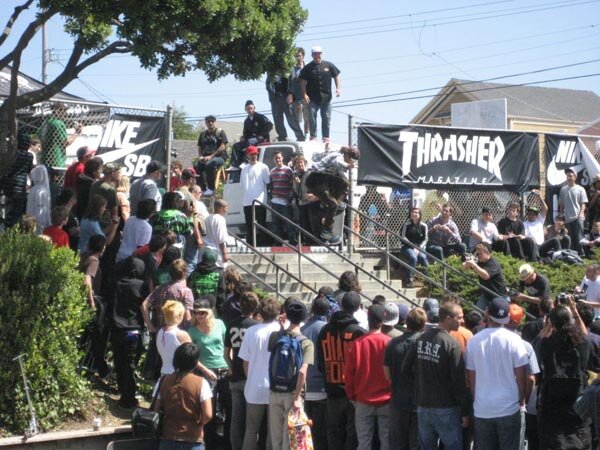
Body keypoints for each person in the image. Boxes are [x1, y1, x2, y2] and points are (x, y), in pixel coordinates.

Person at [401, 302, 469, 450]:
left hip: (423, 406)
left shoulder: (420, 339)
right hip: (446, 407)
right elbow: (459, 381)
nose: (462, 321)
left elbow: (405, 369)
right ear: (448, 318)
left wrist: (420, 383)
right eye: (459, 318)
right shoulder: (452, 344)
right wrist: (465, 412)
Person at [465, 297, 529, 450]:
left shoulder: (474, 341)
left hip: (483, 408)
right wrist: (521, 400)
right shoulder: (515, 340)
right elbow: (522, 376)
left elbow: (471, 377)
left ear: (487, 313)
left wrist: (477, 398)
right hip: (509, 406)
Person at [537, 301, 592, 449]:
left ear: (552, 323)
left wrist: (549, 321)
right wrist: (574, 311)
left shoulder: (546, 344)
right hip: (578, 405)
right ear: (571, 320)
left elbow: (539, 340)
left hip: (551, 405)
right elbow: (586, 336)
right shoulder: (582, 344)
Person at [316, 291, 366, 450]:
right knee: (352, 432)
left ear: (341, 305)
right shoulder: (359, 332)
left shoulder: (325, 330)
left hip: (332, 389)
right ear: (358, 308)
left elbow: (319, 362)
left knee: (334, 431)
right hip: (353, 392)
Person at [268, 301, 314, 450]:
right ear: (304, 318)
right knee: (290, 440)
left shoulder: (275, 336)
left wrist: (282, 328)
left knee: (276, 440)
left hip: (274, 391)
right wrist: (296, 399)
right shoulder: (306, 343)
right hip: (292, 394)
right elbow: (302, 371)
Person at [345, 304, 391, 450]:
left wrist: (352, 395)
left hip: (363, 399)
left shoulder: (357, 344)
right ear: (382, 321)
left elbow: (349, 375)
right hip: (386, 399)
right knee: (387, 441)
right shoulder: (389, 342)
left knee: (364, 442)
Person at [238, 297, 282, 450]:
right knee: (273, 430)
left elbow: (245, 361)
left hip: (254, 385)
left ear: (260, 313)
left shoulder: (251, 332)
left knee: (251, 429)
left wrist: (250, 378)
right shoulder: (281, 331)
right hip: (275, 386)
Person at [189, 297, 231, 450]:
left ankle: (227, 442)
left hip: (224, 369)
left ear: (210, 312)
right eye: (196, 313)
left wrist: (231, 365)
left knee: (229, 407)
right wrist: (205, 370)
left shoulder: (220, 324)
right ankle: (210, 443)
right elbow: (192, 355)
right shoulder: (192, 330)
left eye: (202, 313)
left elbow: (227, 346)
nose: (199, 316)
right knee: (209, 409)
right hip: (205, 371)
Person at [154, 342, 213, 450]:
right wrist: (198, 423)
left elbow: (156, 409)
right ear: (195, 363)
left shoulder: (163, 380)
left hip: (168, 436)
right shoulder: (201, 383)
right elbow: (208, 414)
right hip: (192, 439)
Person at [384, 307, 426, 450]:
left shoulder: (392, 343)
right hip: (419, 401)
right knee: (416, 443)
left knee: (397, 443)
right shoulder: (424, 344)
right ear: (423, 324)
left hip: (398, 401)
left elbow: (387, 375)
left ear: (406, 322)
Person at [111, 256, 148, 409]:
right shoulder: (141, 285)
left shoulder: (118, 284)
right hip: (133, 331)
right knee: (131, 364)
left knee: (119, 362)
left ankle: (122, 391)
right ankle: (129, 398)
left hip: (117, 329)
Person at [224, 292, 259, 450]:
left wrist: (232, 367)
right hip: (251, 378)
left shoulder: (231, 324)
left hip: (235, 377)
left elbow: (226, 353)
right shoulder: (255, 327)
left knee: (236, 419)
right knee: (251, 421)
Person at [305, 145, 360, 243]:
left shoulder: (335, 153)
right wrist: (347, 166)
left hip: (323, 179)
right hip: (315, 181)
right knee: (333, 204)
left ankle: (326, 204)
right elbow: (338, 162)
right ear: (347, 156)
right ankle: (326, 229)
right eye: (351, 160)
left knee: (345, 182)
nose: (351, 163)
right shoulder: (338, 157)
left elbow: (315, 156)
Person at [301, 297, 330, 450]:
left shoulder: (303, 328)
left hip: (304, 386)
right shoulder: (326, 329)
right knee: (321, 431)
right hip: (321, 387)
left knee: (306, 430)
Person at [299, 46, 341, 144]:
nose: (317, 55)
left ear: (321, 54)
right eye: (315, 54)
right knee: (312, 117)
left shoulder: (328, 65)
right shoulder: (308, 67)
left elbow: (337, 76)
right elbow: (302, 81)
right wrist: (304, 94)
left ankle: (326, 137)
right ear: (312, 55)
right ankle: (313, 137)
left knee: (326, 117)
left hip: (326, 97)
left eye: (319, 53)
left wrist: (338, 88)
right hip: (312, 98)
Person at [141, 259, 195, 334]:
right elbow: (187, 316)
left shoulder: (160, 289)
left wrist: (150, 326)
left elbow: (144, 305)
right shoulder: (186, 292)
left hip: (160, 333)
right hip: (178, 334)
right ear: (184, 272)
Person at [461, 242, 508, 310]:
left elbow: (485, 276)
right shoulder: (479, 262)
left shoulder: (493, 263)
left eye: (480, 253)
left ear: (487, 252)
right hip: (487, 295)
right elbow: (463, 268)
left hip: (499, 296)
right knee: (477, 312)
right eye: (477, 253)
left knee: (496, 317)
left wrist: (473, 265)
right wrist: (467, 263)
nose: (478, 256)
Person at [0, 134, 34, 226]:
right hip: (20, 187)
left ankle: (6, 224)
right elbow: (29, 170)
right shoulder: (29, 156)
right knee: (17, 210)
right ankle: (12, 226)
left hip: (8, 184)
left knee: (8, 207)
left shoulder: (12, 154)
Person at [241, 146, 270, 246]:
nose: (254, 156)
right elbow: (242, 184)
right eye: (252, 154)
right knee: (249, 225)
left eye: (255, 154)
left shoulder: (263, 167)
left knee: (261, 224)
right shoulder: (244, 169)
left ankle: (264, 244)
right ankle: (250, 244)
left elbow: (268, 181)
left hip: (260, 201)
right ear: (247, 155)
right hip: (247, 201)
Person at [231, 100, 273, 168]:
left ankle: (245, 161)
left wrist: (262, 135)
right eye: (248, 109)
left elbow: (270, 125)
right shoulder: (246, 121)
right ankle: (234, 164)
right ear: (245, 110)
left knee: (250, 142)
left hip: (262, 139)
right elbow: (246, 133)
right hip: (250, 139)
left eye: (251, 108)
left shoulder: (260, 117)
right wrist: (243, 137)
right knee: (236, 146)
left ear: (254, 108)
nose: (250, 110)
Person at [155, 300, 192, 377]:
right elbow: (192, 357)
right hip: (178, 374)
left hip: (164, 372)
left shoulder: (160, 332)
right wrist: (206, 370)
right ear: (179, 316)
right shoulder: (181, 334)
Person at [38, 102, 81, 168]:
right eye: (64, 111)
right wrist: (77, 132)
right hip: (56, 160)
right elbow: (66, 142)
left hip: (44, 158)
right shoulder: (58, 123)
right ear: (57, 111)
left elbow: (38, 135)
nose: (65, 114)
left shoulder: (46, 123)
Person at [196, 115, 229, 196]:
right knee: (197, 166)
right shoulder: (203, 134)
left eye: (212, 121)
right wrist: (201, 157)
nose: (210, 123)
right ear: (206, 123)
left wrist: (211, 156)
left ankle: (211, 188)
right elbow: (200, 147)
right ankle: (202, 189)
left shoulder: (220, 132)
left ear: (215, 122)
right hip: (206, 157)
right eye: (208, 121)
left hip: (219, 157)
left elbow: (222, 146)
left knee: (209, 164)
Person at [265, 73, 304, 142]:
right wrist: (273, 95)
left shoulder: (287, 68)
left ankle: (300, 136)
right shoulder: (271, 71)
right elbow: (268, 85)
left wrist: (290, 94)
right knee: (277, 119)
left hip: (285, 96)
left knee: (291, 118)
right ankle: (282, 136)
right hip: (275, 98)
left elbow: (292, 82)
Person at [559, 167, 588, 253]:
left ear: (575, 177)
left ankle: (582, 254)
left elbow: (583, 203)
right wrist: (561, 216)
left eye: (571, 176)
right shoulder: (563, 190)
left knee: (579, 237)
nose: (569, 177)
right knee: (569, 237)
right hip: (567, 218)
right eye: (567, 176)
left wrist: (581, 214)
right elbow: (561, 205)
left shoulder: (580, 189)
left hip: (578, 217)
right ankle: (572, 254)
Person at [188, 249, 226, 314]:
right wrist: (220, 311)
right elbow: (221, 294)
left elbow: (189, 289)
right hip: (212, 311)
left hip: (196, 310)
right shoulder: (219, 273)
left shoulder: (194, 273)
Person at [269, 151, 295, 244]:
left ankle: (292, 242)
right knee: (276, 225)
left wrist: (290, 199)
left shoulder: (288, 170)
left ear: (282, 158)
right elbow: (270, 187)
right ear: (274, 159)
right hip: (275, 202)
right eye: (276, 158)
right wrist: (270, 200)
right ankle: (277, 243)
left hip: (285, 202)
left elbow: (293, 186)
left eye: (279, 157)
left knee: (289, 224)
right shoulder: (272, 171)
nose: (278, 159)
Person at [293, 154, 319, 244]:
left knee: (313, 222)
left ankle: (315, 241)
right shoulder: (296, 175)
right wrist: (297, 183)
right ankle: (307, 241)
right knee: (304, 223)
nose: (299, 165)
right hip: (301, 202)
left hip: (311, 202)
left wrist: (313, 194)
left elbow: (316, 187)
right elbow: (296, 190)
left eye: (301, 163)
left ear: (305, 163)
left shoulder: (310, 173)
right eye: (297, 163)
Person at [400, 207, 428, 288]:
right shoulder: (406, 224)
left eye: (416, 212)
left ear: (420, 215)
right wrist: (413, 247)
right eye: (412, 212)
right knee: (413, 258)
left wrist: (418, 248)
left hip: (419, 248)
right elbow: (403, 237)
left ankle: (429, 279)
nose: (414, 214)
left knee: (423, 258)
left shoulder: (424, 226)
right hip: (407, 247)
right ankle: (410, 280)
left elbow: (426, 239)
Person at [289, 47, 310, 135]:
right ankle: (299, 136)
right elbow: (289, 83)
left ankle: (306, 135)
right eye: (296, 56)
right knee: (297, 119)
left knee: (307, 118)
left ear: (303, 56)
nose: (297, 58)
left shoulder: (308, 67)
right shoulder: (292, 69)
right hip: (296, 97)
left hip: (306, 96)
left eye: (299, 56)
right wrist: (290, 94)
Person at [204, 198, 230, 267]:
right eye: (226, 208)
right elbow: (221, 238)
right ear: (221, 208)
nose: (227, 210)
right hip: (216, 253)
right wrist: (224, 254)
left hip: (206, 251)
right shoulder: (220, 219)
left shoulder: (207, 218)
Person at [26, 165, 51, 233]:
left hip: (30, 223)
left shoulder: (33, 189)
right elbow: (40, 210)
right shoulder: (41, 191)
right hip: (38, 226)